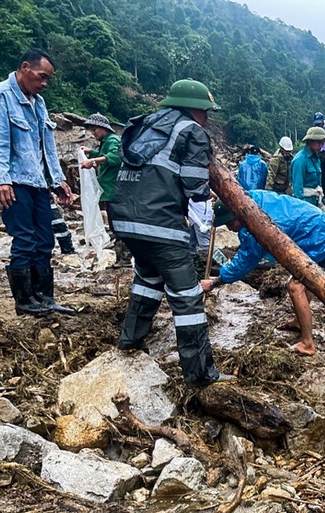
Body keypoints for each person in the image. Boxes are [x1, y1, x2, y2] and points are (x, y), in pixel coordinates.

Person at [109, 78, 233, 388]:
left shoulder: (144, 125)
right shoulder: (192, 132)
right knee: (187, 298)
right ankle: (201, 376)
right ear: (192, 108)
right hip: (160, 224)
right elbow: (194, 188)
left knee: (148, 279)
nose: (207, 118)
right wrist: (209, 193)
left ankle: (130, 342)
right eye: (205, 112)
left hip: (125, 221)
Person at [0, 49, 75, 317]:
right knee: (24, 239)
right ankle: (25, 301)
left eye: (48, 79)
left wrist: (57, 180)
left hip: (38, 183)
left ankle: (44, 298)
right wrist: (1, 180)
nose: (44, 83)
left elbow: (47, 147)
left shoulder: (39, 103)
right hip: (15, 182)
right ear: (24, 67)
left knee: (45, 240)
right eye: (42, 76)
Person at [201, 190, 325, 356]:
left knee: (295, 286)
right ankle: (299, 321)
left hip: (321, 238)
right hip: (322, 228)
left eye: (230, 223)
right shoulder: (250, 199)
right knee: (305, 282)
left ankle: (307, 343)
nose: (229, 228)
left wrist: (213, 283)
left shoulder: (255, 227)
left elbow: (244, 263)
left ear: (237, 213)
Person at [80, 112, 126, 262]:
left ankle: (124, 259)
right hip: (109, 191)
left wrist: (92, 161)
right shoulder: (106, 142)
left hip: (115, 191)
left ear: (103, 127)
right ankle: (121, 258)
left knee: (118, 226)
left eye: (94, 130)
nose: (93, 133)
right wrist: (91, 152)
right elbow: (103, 154)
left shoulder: (113, 140)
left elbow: (114, 157)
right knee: (115, 226)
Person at [292, 126, 325, 208]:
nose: (321, 146)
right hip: (305, 202)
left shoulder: (316, 158)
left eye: (322, 143)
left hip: (316, 200)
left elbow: (318, 183)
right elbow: (297, 190)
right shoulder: (300, 160)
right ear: (310, 142)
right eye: (319, 143)